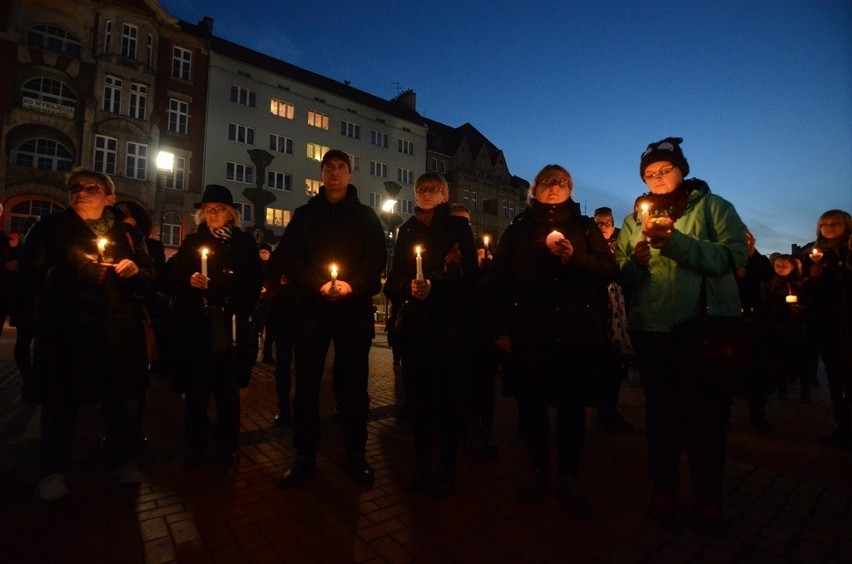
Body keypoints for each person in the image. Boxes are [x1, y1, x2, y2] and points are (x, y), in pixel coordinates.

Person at [615, 137, 747, 531]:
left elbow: (733, 257)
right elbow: (621, 272)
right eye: (649, 174)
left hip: (702, 326)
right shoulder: (633, 220)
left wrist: (676, 243)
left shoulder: (713, 208)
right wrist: (635, 264)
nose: (657, 178)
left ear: (681, 170)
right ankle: (664, 488)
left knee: (705, 417)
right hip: (653, 329)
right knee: (661, 417)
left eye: (664, 170)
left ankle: (708, 495)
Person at [18, 167, 156, 501]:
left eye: (91, 187)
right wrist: (74, 274)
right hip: (67, 331)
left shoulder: (128, 235)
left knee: (119, 400)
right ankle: (52, 470)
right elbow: (28, 274)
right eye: (75, 187)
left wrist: (135, 271)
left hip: (117, 331)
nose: (81, 192)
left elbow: (151, 276)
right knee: (61, 403)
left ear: (109, 197)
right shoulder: (49, 228)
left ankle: (124, 461)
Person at [488, 164, 616, 515]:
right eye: (546, 182)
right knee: (532, 409)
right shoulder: (518, 229)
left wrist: (575, 259)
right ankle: (538, 471)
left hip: (575, 335)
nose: (553, 187)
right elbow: (498, 282)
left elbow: (607, 270)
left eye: (560, 182)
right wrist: (500, 329)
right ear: (534, 189)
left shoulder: (585, 227)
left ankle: (570, 476)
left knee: (572, 410)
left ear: (571, 188)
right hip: (530, 335)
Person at [276, 150, 386, 488]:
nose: (335, 172)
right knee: (306, 384)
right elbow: (291, 259)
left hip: (353, 312)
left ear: (351, 175)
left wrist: (353, 285)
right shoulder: (305, 215)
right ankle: (305, 455)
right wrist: (317, 283)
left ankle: (356, 454)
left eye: (341, 168)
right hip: (312, 310)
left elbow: (377, 259)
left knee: (354, 385)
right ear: (322, 174)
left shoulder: (366, 217)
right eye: (329, 167)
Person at [384, 175, 478, 497]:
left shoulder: (457, 228)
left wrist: (435, 284)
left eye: (433, 189)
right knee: (419, 400)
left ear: (445, 195)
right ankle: (422, 463)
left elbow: (469, 274)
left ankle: (447, 465)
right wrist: (407, 286)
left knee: (448, 398)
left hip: (448, 325)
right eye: (421, 189)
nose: (426, 194)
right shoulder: (407, 229)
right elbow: (394, 277)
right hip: (416, 328)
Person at [166, 184, 263, 468]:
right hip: (197, 326)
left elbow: (254, 281)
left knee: (227, 391)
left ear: (230, 214)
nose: (212, 214)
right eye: (208, 210)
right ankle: (195, 443)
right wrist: (189, 280)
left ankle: (227, 446)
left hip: (229, 326)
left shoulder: (243, 244)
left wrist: (240, 309)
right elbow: (172, 275)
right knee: (197, 390)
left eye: (218, 209)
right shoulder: (193, 242)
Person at [800, 209, 852, 448]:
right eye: (825, 224)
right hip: (829, 326)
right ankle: (842, 427)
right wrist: (812, 278)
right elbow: (807, 294)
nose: (830, 227)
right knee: (835, 377)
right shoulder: (814, 254)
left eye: (836, 223)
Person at [592, 206, 635, 432]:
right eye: (598, 223)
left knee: (615, 363)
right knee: (600, 364)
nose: (602, 227)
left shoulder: (621, 247)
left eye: (606, 223)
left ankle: (610, 408)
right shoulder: (590, 248)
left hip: (618, 311)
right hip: (599, 312)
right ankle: (603, 409)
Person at [735, 229, 775, 431]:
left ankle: (757, 415)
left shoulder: (753, 256)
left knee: (756, 368)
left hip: (753, 318)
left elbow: (767, 273)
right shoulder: (718, 254)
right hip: (727, 317)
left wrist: (752, 254)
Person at [760, 254, 809, 403]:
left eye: (784, 265)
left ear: (793, 266)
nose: (780, 268)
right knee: (780, 360)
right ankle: (782, 392)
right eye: (777, 265)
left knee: (802, 361)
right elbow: (767, 305)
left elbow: (810, 301)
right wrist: (785, 310)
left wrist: (801, 309)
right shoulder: (769, 284)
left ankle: (805, 392)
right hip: (778, 327)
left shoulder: (802, 283)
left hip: (799, 328)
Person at [264, 242, 299, 427]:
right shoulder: (280, 256)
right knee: (284, 362)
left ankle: (300, 405)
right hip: (283, 313)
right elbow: (268, 278)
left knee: (304, 364)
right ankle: (283, 405)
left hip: (304, 314)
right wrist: (277, 286)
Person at [256, 242, 276, 364]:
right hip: (258, 303)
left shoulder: (273, 267)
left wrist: (267, 289)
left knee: (271, 331)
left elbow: (275, 281)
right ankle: (253, 355)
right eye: (261, 252)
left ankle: (267, 355)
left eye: (266, 252)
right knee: (257, 329)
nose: (263, 255)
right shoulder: (255, 266)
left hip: (270, 302)